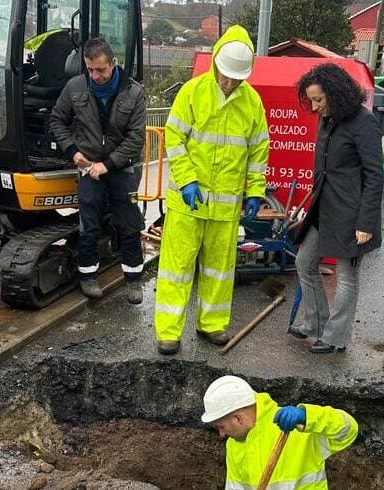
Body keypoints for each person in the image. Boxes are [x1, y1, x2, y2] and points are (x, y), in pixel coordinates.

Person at [153, 25, 269, 355]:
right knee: (177, 268)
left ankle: (212, 324)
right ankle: (169, 331)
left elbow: (259, 152)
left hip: (226, 206)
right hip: (187, 202)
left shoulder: (252, 104)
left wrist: (255, 191)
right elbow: (173, 139)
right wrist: (187, 180)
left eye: (237, 77)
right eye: (225, 74)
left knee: (219, 268)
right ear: (216, 62)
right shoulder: (192, 93)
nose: (229, 82)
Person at [288, 63, 384, 354]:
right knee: (304, 262)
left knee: (346, 277)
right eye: (312, 100)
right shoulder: (328, 119)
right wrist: (307, 205)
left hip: (353, 214)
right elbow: (325, 169)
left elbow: (375, 174)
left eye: (319, 99)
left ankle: (335, 337)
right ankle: (315, 324)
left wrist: (365, 223)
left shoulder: (363, 122)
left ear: (336, 93)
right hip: (324, 208)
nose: (315, 106)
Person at [50, 37, 147, 304]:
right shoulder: (75, 87)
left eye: (100, 70)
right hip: (88, 169)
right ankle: (88, 277)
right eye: (90, 69)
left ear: (113, 64)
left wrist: (108, 164)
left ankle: (133, 279)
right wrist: (72, 151)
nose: (95, 76)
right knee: (89, 225)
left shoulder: (134, 92)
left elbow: (136, 138)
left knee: (129, 224)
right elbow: (57, 120)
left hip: (122, 169)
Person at [201, 375, 358, 489]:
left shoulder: (296, 428)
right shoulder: (234, 446)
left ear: (238, 419)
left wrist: (308, 417)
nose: (221, 434)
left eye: (221, 426)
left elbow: (348, 430)